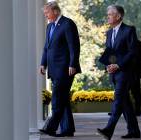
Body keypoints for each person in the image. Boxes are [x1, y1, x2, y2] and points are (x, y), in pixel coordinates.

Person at [98, 5, 141, 140]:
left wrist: (118, 64)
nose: (108, 17)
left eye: (110, 14)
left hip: (125, 72)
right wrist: (109, 66)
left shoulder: (129, 30)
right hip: (114, 73)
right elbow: (110, 53)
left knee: (118, 100)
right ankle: (134, 131)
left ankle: (108, 130)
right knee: (125, 103)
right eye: (108, 14)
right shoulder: (109, 32)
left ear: (118, 16)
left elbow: (133, 51)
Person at [39, 1, 81, 137]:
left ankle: (51, 127)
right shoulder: (50, 26)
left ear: (55, 11)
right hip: (54, 69)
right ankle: (67, 129)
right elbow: (47, 47)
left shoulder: (68, 24)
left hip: (65, 69)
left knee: (57, 98)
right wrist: (43, 64)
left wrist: (73, 64)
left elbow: (73, 47)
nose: (45, 15)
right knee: (62, 99)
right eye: (45, 13)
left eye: (47, 12)